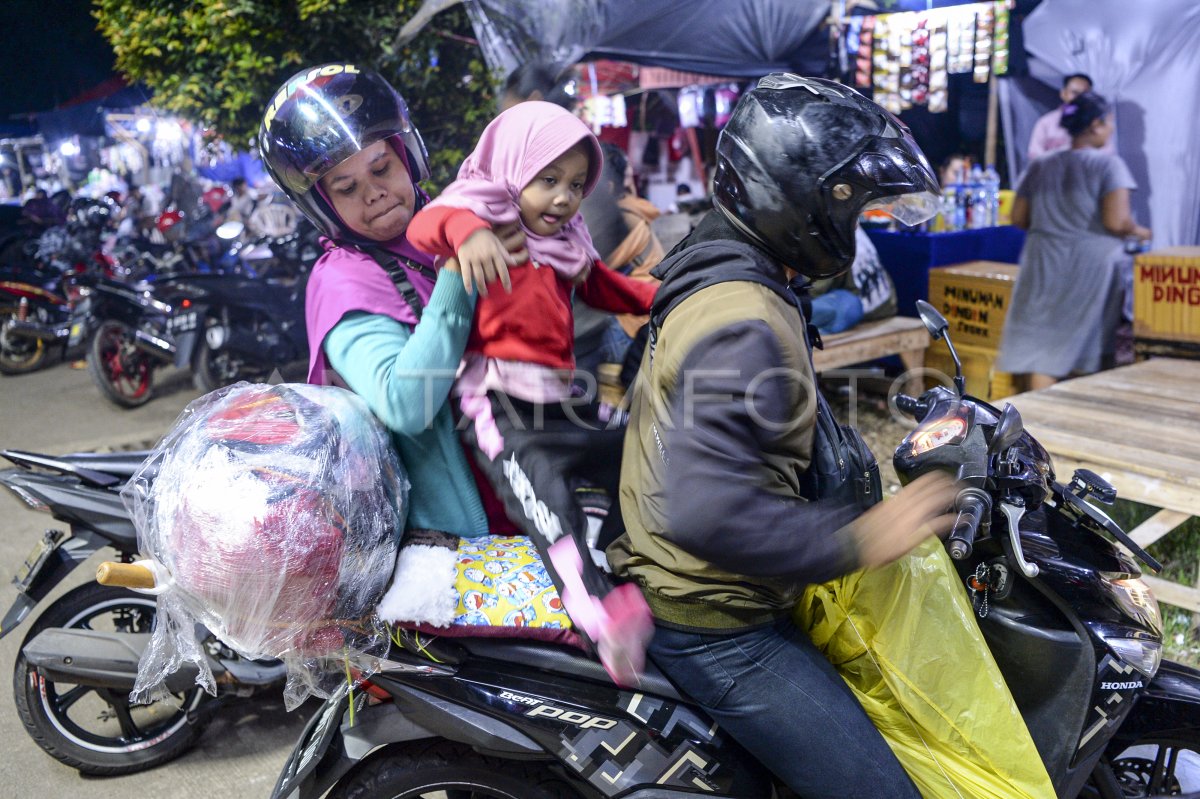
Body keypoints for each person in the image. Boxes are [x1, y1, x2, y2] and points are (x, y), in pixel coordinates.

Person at [608, 74, 960, 798]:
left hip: (719, 582)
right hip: (717, 619)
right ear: (801, 204)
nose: (857, 229)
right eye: (854, 210)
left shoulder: (730, 265)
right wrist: (862, 536)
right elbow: (705, 508)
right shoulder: (743, 320)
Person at [406, 100, 658, 686]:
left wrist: (661, 297)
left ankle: (640, 565)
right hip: (499, 410)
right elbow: (428, 225)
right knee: (551, 511)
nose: (564, 198)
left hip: (561, 400)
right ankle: (602, 620)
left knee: (638, 445)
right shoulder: (480, 213)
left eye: (575, 185)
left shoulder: (567, 241)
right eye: (548, 181)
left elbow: (601, 284)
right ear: (513, 169)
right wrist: (467, 235)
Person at [258, 63, 527, 542]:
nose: (374, 191)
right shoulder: (342, 283)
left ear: (408, 156)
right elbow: (406, 404)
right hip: (459, 545)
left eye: (381, 167)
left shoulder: (453, 219)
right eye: (346, 188)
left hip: (536, 494)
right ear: (322, 205)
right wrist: (454, 269)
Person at [998, 91, 1150, 390]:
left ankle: (1035, 424)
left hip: (1042, 262)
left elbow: (1018, 217)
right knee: (1087, 348)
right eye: (1109, 122)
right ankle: (1073, 422)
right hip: (1088, 266)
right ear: (1095, 124)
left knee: (1042, 349)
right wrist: (1142, 232)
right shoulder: (1108, 165)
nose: (1112, 129)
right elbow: (1116, 222)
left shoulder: (1041, 165)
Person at [1027, 73, 1116, 161]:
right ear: (1064, 94)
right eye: (1075, 93)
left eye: (1085, 94)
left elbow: (1107, 153)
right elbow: (1035, 154)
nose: (1080, 98)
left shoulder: (1097, 123)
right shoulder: (1046, 122)